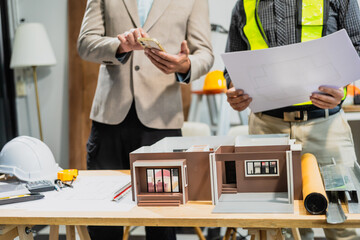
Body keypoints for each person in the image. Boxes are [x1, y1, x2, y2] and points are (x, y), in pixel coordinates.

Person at [77, 0, 213, 239]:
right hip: (109, 118)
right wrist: (119, 46)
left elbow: (205, 53)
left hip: (162, 121)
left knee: (162, 223)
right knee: (103, 221)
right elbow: (85, 43)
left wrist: (187, 65)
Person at [224, 0, 360, 239]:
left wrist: (343, 89)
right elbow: (233, 62)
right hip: (267, 130)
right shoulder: (244, 4)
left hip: (325, 127)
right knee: (279, 229)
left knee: (343, 223)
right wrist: (234, 88)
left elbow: (358, 46)